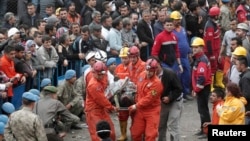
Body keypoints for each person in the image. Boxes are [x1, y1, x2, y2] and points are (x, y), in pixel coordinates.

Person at [129, 58, 163, 140]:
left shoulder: (157, 83)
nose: (148, 72)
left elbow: (149, 99)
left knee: (150, 135)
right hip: (140, 110)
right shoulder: (142, 75)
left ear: (155, 71)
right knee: (135, 133)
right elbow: (138, 90)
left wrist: (136, 106)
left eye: (151, 71)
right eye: (147, 70)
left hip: (152, 111)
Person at [85, 61, 118, 141]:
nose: (100, 76)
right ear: (94, 72)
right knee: (98, 135)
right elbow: (101, 100)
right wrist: (111, 107)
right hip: (93, 110)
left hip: (102, 109)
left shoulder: (104, 76)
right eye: (98, 75)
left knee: (111, 132)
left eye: (102, 74)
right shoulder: (93, 85)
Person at [153, 56, 183, 141]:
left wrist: (170, 97)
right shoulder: (150, 75)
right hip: (162, 102)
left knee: (172, 125)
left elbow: (179, 89)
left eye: (156, 67)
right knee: (161, 125)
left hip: (175, 101)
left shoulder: (170, 73)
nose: (154, 70)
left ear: (159, 64)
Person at [191, 37, 212, 136]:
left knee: (203, 110)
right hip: (202, 88)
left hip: (203, 88)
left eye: (196, 47)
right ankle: (203, 129)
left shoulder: (202, 60)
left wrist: (196, 90)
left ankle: (207, 131)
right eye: (193, 47)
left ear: (201, 48)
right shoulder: (199, 58)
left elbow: (201, 78)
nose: (194, 49)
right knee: (202, 110)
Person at [203, 6, 224, 90]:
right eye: (218, 14)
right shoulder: (210, 26)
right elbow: (208, 42)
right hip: (211, 51)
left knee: (221, 64)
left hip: (217, 49)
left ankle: (219, 82)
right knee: (212, 67)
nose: (219, 15)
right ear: (215, 15)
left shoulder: (214, 23)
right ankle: (210, 85)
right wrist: (211, 55)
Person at [236, 56, 250, 125]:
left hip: (247, 110)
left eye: (237, 64)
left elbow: (246, 95)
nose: (236, 66)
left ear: (242, 65)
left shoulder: (245, 78)